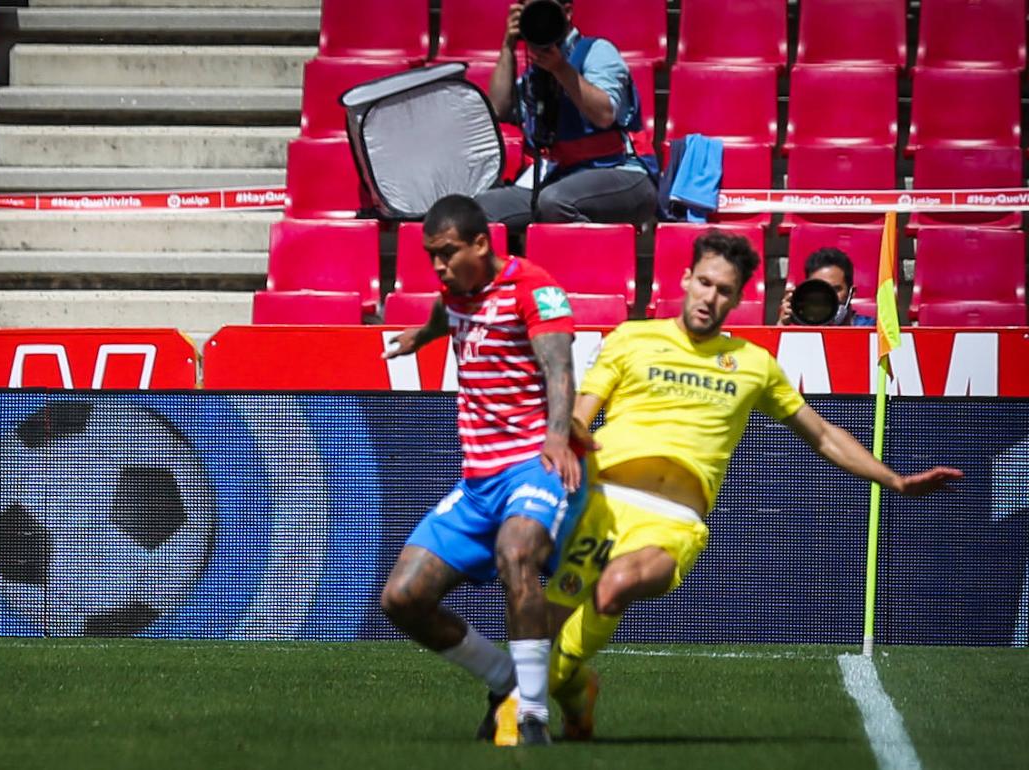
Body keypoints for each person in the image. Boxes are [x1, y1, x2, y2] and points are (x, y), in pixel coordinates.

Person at [507, 230, 962, 742]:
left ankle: (537, 694)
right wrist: (563, 440)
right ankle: (575, 690)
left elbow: (823, 435)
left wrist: (895, 481)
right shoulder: (631, 338)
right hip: (601, 505)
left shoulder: (753, 365)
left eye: (724, 290)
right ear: (685, 279)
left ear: (739, 296)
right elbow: (582, 417)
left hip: (673, 520)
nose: (709, 297)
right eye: (703, 283)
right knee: (545, 629)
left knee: (614, 589)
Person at [379, 194, 585, 747]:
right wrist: (420, 336)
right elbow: (449, 312)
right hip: (477, 483)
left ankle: (534, 714)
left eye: (447, 253)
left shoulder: (533, 288)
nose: (439, 266)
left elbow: (559, 367)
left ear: (481, 243)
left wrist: (558, 437)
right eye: (432, 257)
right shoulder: (457, 291)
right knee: (401, 598)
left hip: (531, 465)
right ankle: (504, 682)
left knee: (516, 555)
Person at [475, 0, 657, 233]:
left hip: (625, 174)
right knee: (482, 209)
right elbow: (499, 110)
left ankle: (593, 265)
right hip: (557, 177)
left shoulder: (597, 51)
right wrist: (507, 46)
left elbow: (603, 115)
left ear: (567, 12)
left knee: (554, 201)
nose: (541, 19)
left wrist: (561, 68)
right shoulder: (535, 73)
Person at [777, 247, 876, 326]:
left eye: (835, 289)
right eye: (819, 290)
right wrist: (781, 326)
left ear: (852, 292)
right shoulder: (799, 331)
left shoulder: (872, 330)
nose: (828, 296)